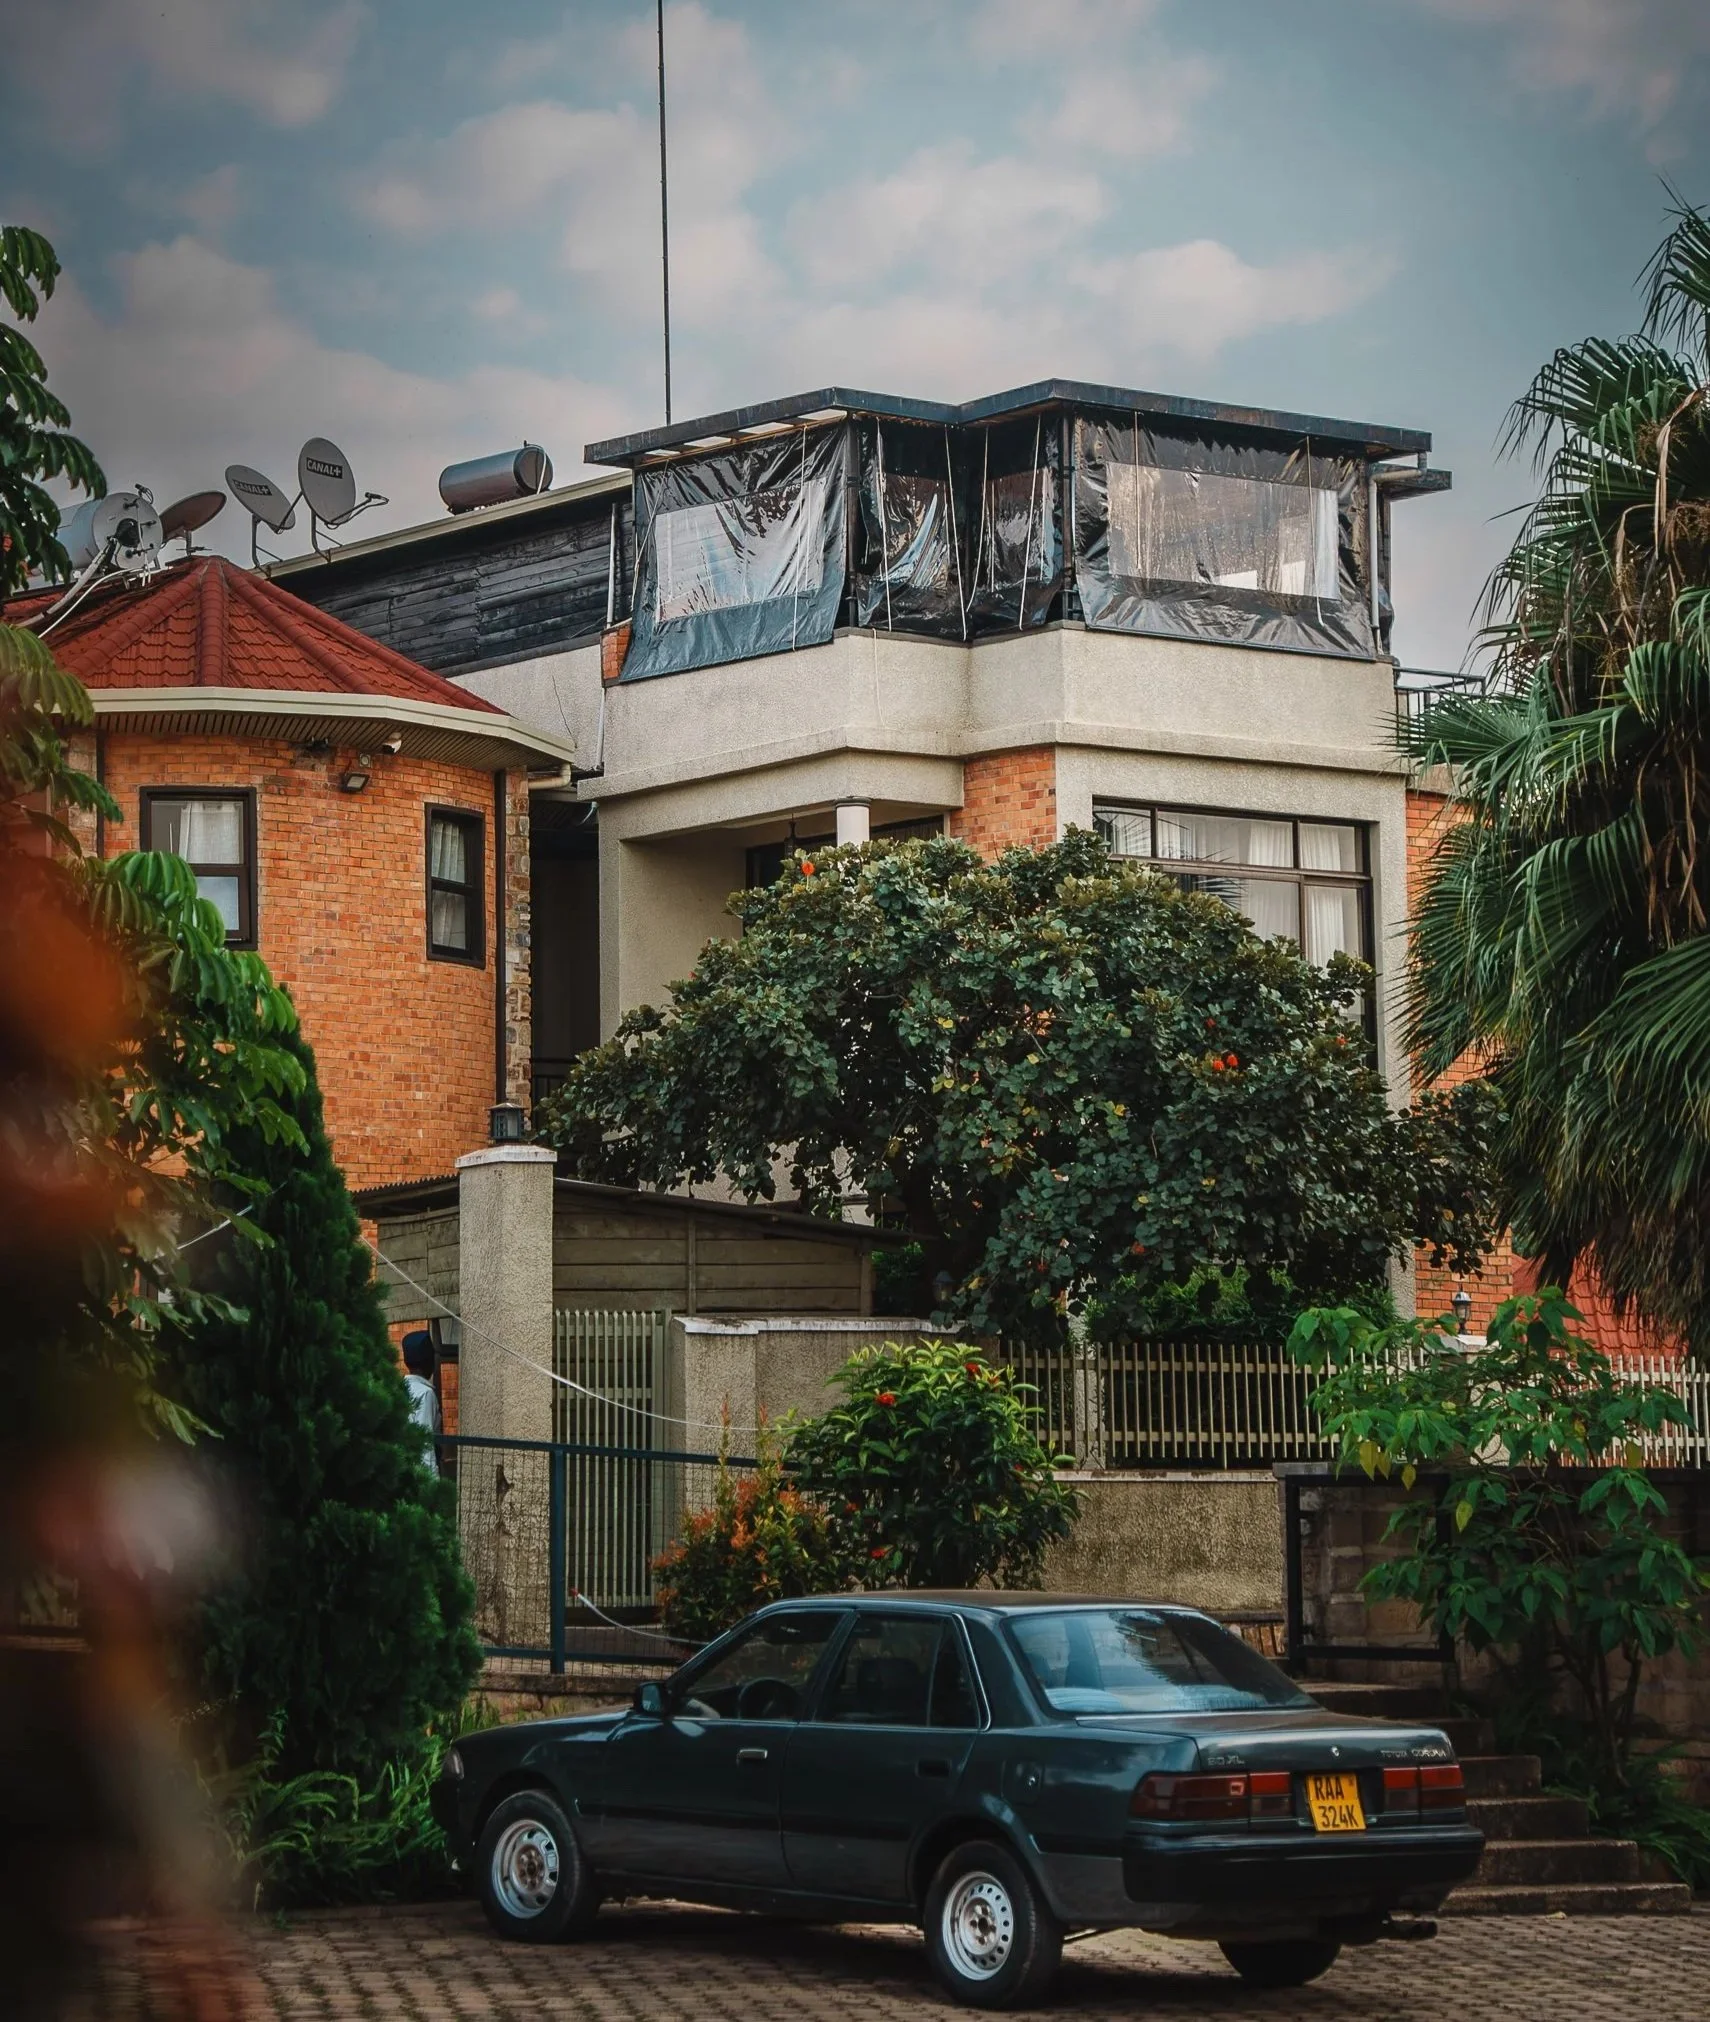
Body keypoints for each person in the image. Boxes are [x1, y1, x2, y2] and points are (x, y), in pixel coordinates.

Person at [401, 1331, 441, 1470]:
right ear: (428, 1362)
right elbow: (425, 1443)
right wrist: (431, 1484)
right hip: (419, 1474)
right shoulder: (426, 1394)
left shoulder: (400, 1388)